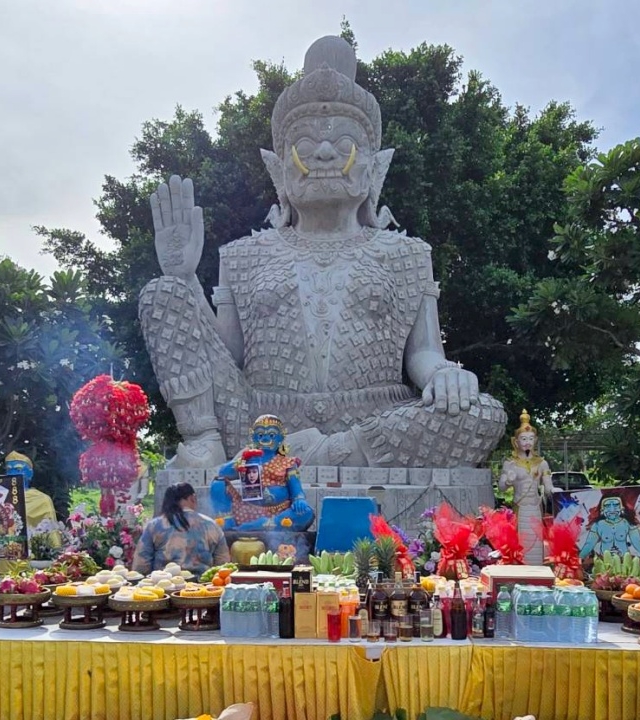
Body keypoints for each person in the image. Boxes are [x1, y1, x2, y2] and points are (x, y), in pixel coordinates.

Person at [137, 35, 506, 469]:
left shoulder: (405, 254)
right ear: (279, 169)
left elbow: (424, 354)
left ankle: (315, 459)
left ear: (375, 166)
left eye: (346, 144)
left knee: (481, 412)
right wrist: (184, 281)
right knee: (162, 294)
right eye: (306, 147)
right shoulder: (245, 255)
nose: (326, 152)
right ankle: (205, 442)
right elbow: (227, 357)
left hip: (371, 425)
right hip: (258, 427)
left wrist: (446, 377)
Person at [210, 414, 315, 531]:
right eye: (260, 435)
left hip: (279, 514)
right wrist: (242, 460)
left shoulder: (288, 463)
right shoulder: (247, 459)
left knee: (306, 512)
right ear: (253, 438)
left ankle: (255, 526)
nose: (265, 439)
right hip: (246, 512)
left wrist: (299, 499)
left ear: (280, 438)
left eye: (271, 435)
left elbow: (297, 490)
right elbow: (222, 473)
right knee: (217, 484)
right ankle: (228, 522)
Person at [132, 483, 230, 576]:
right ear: (193, 498)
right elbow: (223, 564)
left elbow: (141, 564)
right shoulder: (211, 525)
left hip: (163, 587)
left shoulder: (154, 525)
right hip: (203, 589)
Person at [498, 410, 555, 564]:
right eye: (523, 439)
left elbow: (548, 487)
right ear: (515, 442)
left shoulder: (542, 463)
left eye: (530, 438)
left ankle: (537, 572)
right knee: (520, 542)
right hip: (520, 507)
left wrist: (556, 493)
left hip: (535, 507)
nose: (527, 442)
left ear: (535, 440)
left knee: (537, 541)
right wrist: (508, 480)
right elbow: (501, 488)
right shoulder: (510, 463)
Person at [578, 496, 640, 560]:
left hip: (625, 563)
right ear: (602, 509)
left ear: (621, 508)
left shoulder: (628, 524)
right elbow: (589, 544)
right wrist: (579, 559)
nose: (612, 510)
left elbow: (637, 543)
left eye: (616, 505)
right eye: (607, 506)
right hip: (605, 565)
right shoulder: (597, 525)